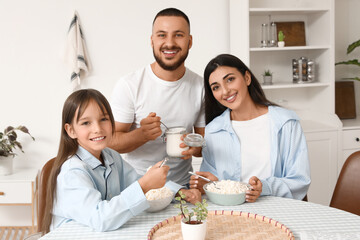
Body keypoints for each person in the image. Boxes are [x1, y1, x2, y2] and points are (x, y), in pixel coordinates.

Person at [41, 89, 181, 233]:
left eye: (104, 119)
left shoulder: (111, 156)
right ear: (71, 130)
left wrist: (178, 192)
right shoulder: (72, 172)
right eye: (86, 123)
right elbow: (101, 218)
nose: (97, 129)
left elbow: (135, 182)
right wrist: (144, 185)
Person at [109, 8, 204, 202]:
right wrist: (141, 135)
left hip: (184, 188)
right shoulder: (129, 85)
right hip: (138, 187)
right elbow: (111, 143)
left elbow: (203, 143)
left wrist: (194, 147)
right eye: (162, 35)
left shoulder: (201, 86)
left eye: (178, 35)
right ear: (152, 40)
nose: (170, 43)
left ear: (190, 41)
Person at [190, 54, 311, 202]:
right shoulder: (213, 130)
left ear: (247, 78)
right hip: (232, 212)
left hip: (278, 210)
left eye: (230, 79)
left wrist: (264, 188)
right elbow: (210, 183)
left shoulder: (286, 123)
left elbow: (299, 180)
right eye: (216, 87)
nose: (225, 91)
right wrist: (210, 184)